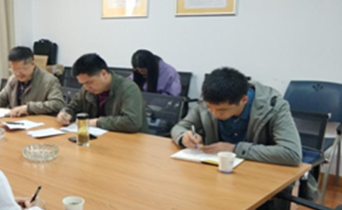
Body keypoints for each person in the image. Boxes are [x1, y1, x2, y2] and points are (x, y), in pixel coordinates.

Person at [171, 67, 302, 166]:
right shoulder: (208, 101)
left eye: (222, 110)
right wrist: (184, 137)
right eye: (210, 108)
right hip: (216, 169)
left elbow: (291, 153)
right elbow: (180, 127)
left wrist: (235, 149)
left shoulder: (274, 107)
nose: (214, 114)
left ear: (244, 100)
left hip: (258, 171)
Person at [57, 53, 148, 133]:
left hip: (129, 141)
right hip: (99, 138)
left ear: (104, 74)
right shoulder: (86, 89)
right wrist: (65, 114)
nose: (86, 87)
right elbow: (72, 107)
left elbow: (132, 122)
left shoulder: (128, 89)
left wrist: (97, 122)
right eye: (82, 84)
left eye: (89, 82)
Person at [0, 46, 65, 117]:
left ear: (32, 64)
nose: (17, 74)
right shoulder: (13, 79)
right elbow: (2, 98)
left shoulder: (49, 80)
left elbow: (58, 104)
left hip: (38, 122)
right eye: (14, 70)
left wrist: (28, 108)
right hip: (16, 121)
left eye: (21, 69)